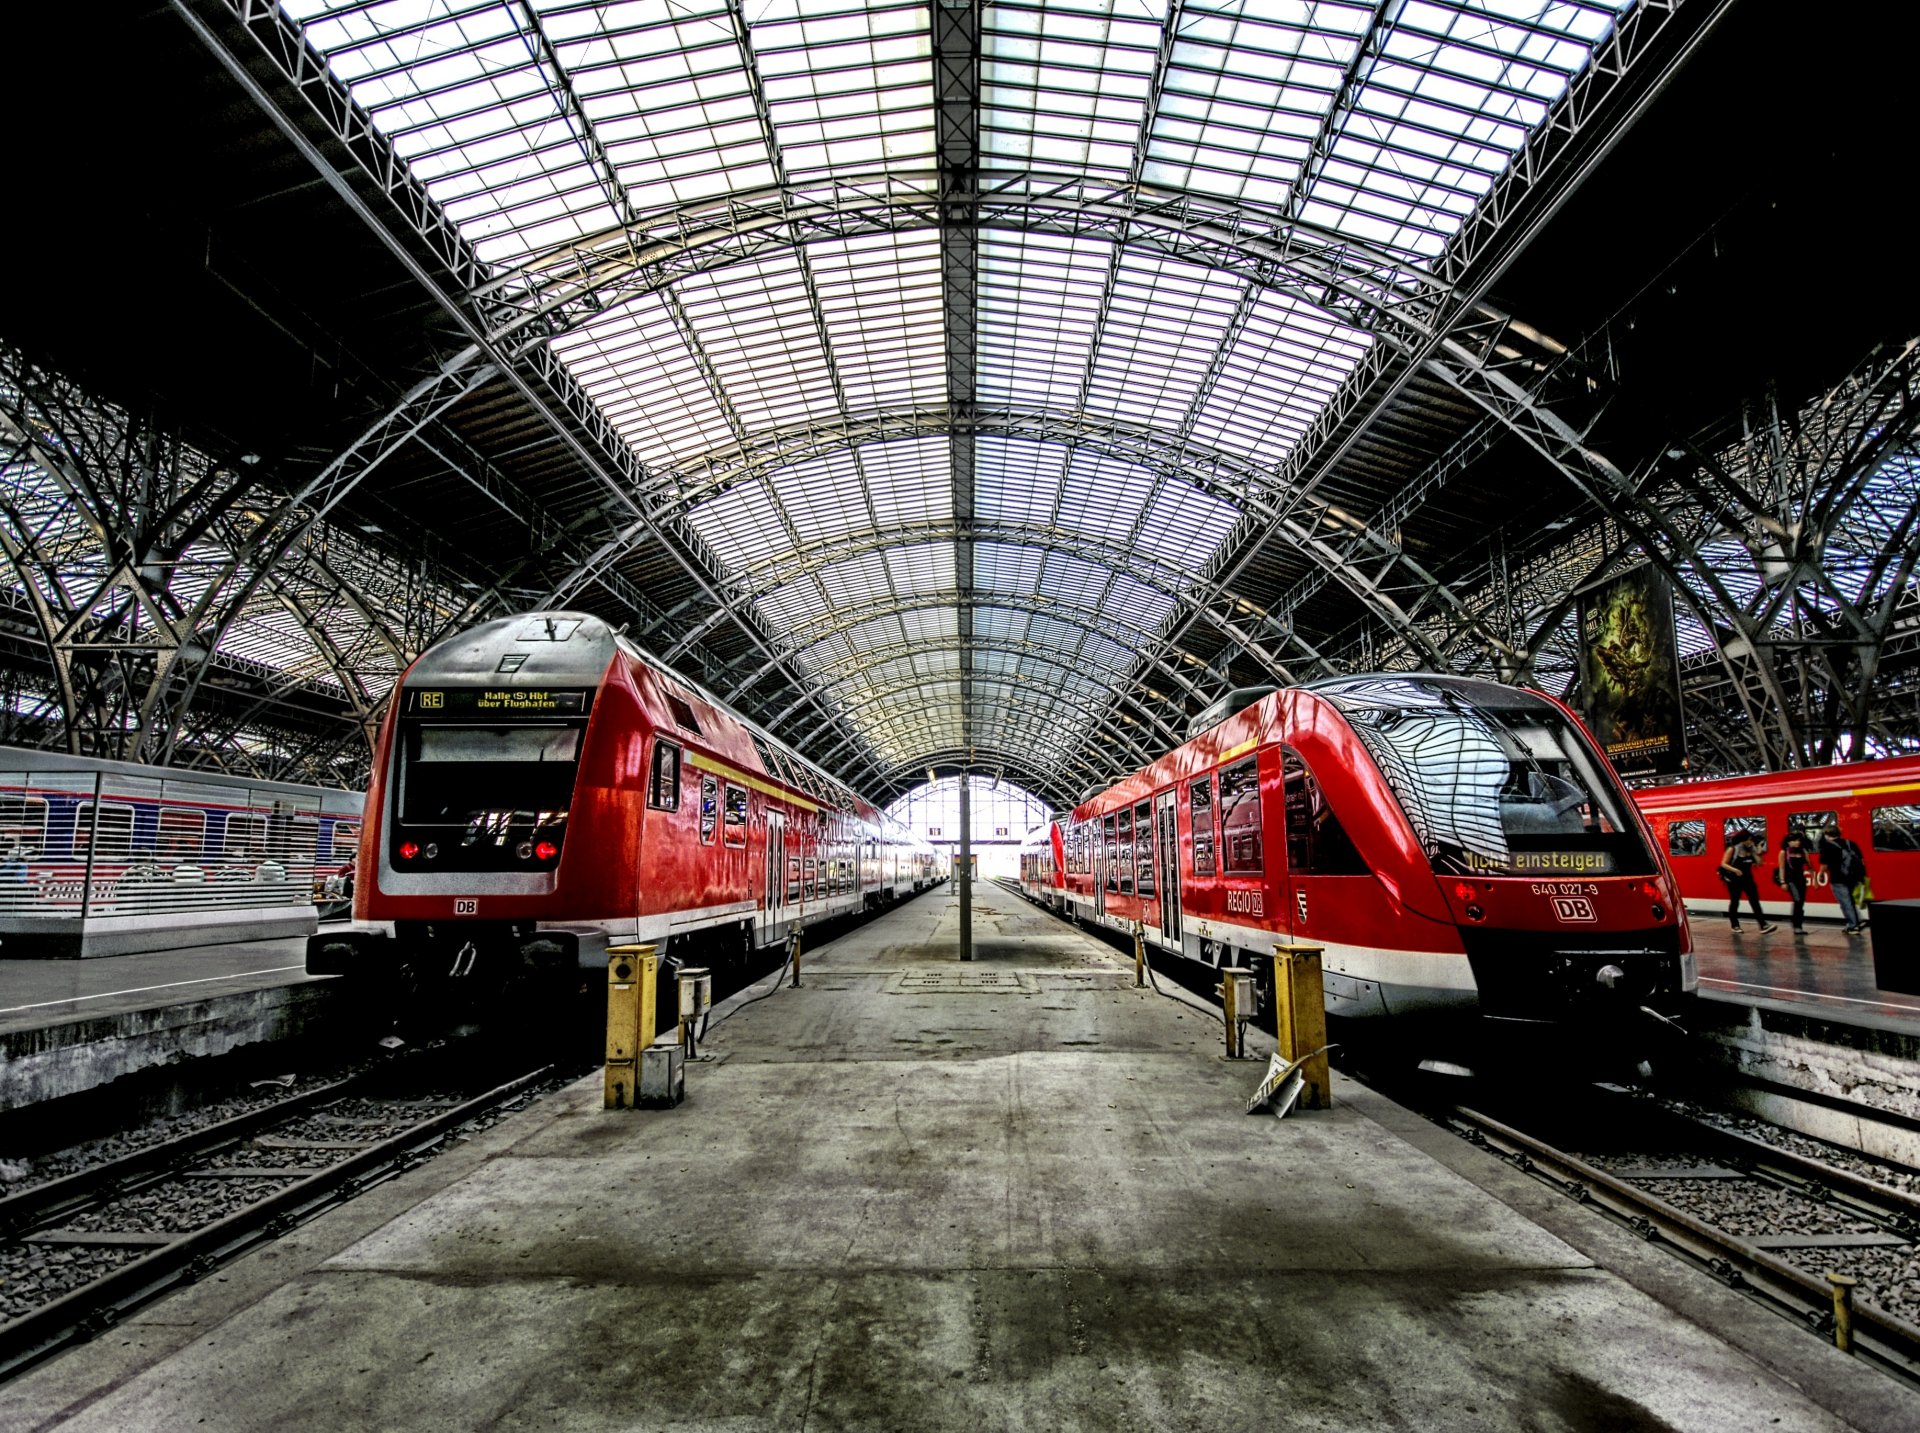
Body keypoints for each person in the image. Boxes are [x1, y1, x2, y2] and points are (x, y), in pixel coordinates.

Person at [1717, 833, 1775, 932]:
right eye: (1750, 840)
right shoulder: (1733, 849)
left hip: (1748, 879)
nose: (1751, 842)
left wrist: (1758, 852)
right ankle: (1735, 925)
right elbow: (1723, 864)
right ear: (1743, 840)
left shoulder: (1751, 850)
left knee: (1755, 901)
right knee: (1735, 901)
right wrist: (1735, 870)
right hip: (1734, 880)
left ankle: (1763, 925)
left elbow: (1760, 863)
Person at [1817, 823, 1869, 934]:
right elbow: (1861, 860)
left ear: (1826, 834)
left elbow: (1824, 864)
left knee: (1845, 902)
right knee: (1850, 900)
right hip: (1853, 877)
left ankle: (1853, 926)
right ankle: (1857, 921)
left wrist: (1820, 875)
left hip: (1838, 878)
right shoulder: (1850, 843)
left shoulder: (1827, 846)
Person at [1776, 828, 1811, 932]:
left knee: (1801, 902)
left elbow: (1809, 865)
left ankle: (1798, 924)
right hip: (1790, 879)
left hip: (1801, 878)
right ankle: (1797, 925)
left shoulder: (1803, 851)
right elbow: (1781, 867)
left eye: (1799, 840)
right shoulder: (1783, 853)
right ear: (1788, 842)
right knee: (1797, 900)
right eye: (1794, 840)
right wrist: (1782, 881)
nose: (1797, 842)